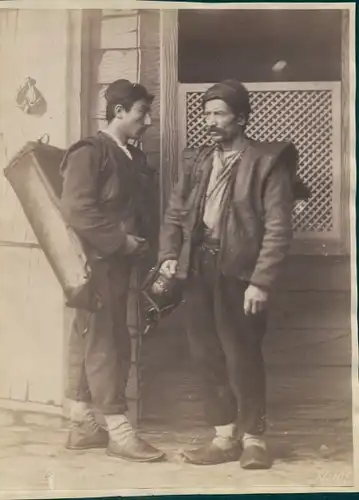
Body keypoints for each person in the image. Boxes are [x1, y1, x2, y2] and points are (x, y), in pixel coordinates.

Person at [158, 79, 299, 469]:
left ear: (242, 118)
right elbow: (175, 213)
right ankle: (223, 436)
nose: (210, 121)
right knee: (206, 354)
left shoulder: (267, 163)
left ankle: (254, 439)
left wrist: (261, 280)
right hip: (197, 267)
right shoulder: (198, 160)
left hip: (239, 273)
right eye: (206, 114)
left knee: (243, 354)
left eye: (219, 114)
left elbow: (278, 228)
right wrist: (170, 254)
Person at [59, 79, 164, 462]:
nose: (148, 121)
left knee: (91, 339)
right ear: (118, 112)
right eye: (141, 113)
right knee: (107, 343)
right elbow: (76, 209)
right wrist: (120, 243)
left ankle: (82, 424)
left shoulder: (130, 157)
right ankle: (118, 431)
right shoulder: (91, 152)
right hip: (96, 265)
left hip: (117, 266)